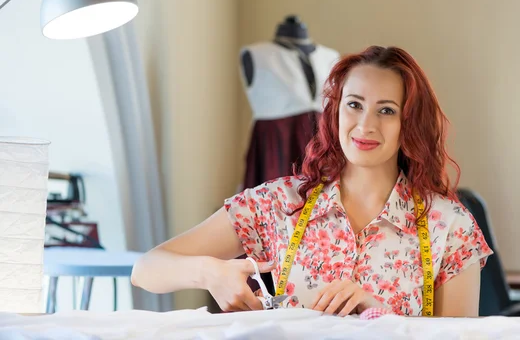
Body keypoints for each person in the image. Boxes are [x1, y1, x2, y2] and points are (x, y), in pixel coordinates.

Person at [131, 46, 493, 317]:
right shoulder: (278, 204)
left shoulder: (449, 225)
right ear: (335, 110)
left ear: (409, 123)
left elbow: (461, 337)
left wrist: (380, 316)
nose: (365, 125)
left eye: (386, 110)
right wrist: (211, 273)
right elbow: (146, 269)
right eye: (353, 104)